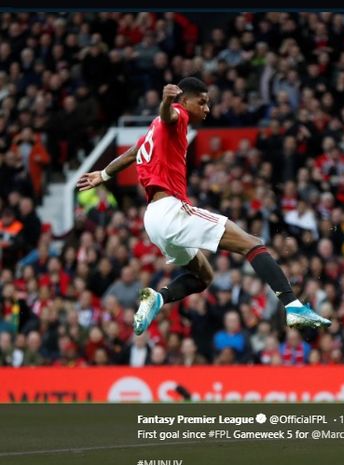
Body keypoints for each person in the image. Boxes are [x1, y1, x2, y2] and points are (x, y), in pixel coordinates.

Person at [77, 77, 330, 335]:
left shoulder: (153, 131)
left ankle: (158, 298)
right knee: (252, 243)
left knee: (203, 277)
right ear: (185, 100)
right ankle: (293, 307)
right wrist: (166, 102)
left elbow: (132, 153)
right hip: (171, 210)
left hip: (153, 219)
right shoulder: (178, 114)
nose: (207, 109)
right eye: (202, 102)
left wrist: (104, 175)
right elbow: (168, 116)